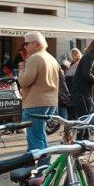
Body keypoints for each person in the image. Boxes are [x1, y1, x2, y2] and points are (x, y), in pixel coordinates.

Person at [18, 31, 62, 162]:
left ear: (35, 44)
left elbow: (25, 81)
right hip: (50, 101)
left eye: (26, 44)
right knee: (40, 134)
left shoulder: (34, 58)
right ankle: (33, 164)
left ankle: (42, 167)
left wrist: (21, 72)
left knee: (35, 137)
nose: (24, 47)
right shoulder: (51, 58)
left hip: (35, 102)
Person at [69, 39, 94, 120]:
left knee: (85, 117)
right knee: (84, 117)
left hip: (82, 92)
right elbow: (87, 74)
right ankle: (85, 132)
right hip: (83, 93)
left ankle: (86, 132)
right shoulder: (90, 57)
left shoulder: (89, 57)